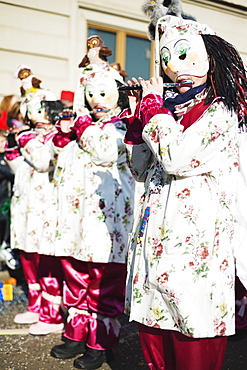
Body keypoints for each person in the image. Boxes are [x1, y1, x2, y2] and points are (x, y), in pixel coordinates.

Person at [122, 1, 247, 369]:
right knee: (155, 339)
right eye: (166, 59)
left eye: (185, 56)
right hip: (155, 251)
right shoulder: (168, 110)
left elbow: (176, 157)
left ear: (210, 58)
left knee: (193, 338)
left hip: (196, 256)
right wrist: (137, 124)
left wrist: (153, 113)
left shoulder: (221, 112)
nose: (176, 67)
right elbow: (142, 169)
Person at [49, 62, 136, 370]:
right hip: (77, 222)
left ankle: (101, 342)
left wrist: (82, 126)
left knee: (103, 284)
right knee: (74, 276)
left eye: (104, 93)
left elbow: (104, 152)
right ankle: (75, 332)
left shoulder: (123, 127)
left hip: (106, 224)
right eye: (91, 94)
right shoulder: (81, 128)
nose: (97, 100)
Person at [5, 87, 65, 333]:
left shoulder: (57, 136)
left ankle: (53, 315)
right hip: (26, 206)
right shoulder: (29, 135)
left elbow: (42, 163)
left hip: (47, 206)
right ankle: (35, 306)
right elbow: (19, 168)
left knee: (46, 259)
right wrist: (11, 149)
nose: (35, 115)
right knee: (28, 257)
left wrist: (24, 140)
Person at [0, 130, 19, 270]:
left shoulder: (10, 157)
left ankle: (6, 248)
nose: (3, 145)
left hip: (7, 199)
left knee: (6, 221)